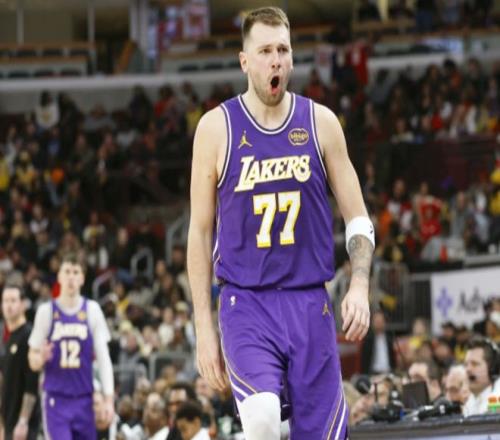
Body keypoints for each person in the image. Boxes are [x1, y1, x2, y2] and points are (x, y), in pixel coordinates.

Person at [187, 6, 374, 440]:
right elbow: (199, 232)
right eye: (265, 51)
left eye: (283, 50)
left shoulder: (321, 123)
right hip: (246, 303)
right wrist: (202, 327)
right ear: (244, 61)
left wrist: (360, 285)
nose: (276, 60)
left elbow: (359, 218)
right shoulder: (216, 128)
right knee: (263, 421)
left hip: (310, 302)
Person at [28, 252, 115, 439]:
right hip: (56, 399)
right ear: (59, 276)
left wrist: (108, 398)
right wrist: (40, 357)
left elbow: (104, 358)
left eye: (75, 272)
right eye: (67, 271)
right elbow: (32, 359)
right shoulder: (46, 312)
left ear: (82, 278)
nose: (71, 277)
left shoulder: (92, 310)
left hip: (85, 398)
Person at [1, 284, 40, 440]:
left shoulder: (29, 335)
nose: (8, 305)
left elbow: (32, 383)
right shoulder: (8, 339)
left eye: (13, 300)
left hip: (24, 425)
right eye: (5, 301)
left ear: (23, 304)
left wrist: (23, 421)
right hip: (8, 421)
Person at [463, 337, 499, 416]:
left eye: (474, 364)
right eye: (466, 365)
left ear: (492, 369)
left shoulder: (497, 394)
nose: (468, 369)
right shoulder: (470, 402)